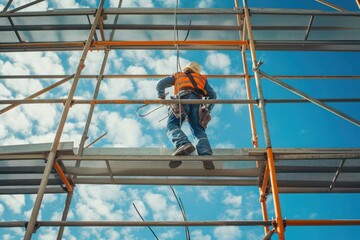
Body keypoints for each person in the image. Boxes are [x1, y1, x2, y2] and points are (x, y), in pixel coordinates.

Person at [156, 62, 217, 170]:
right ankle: (206, 156)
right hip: (197, 103)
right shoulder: (202, 78)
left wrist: (161, 97)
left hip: (182, 99)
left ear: (186, 68)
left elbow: (160, 84)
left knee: (172, 125)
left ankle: (183, 143)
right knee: (198, 130)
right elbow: (213, 95)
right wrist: (208, 109)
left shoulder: (178, 75)